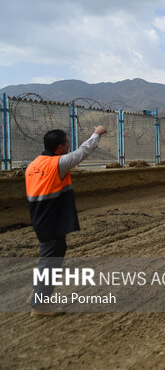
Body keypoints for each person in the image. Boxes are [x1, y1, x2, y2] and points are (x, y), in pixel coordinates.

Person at [25, 126, 107, 316]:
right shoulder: (58, 163)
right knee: (51, 258)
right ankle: (40, 304)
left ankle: (37, 293)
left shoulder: (34, 164)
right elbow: (83, 152)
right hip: (51, 218)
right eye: (67, 141)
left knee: (50, 254)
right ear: (60, 147)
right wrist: (97, 133)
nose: (70, 145)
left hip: (39, 217)